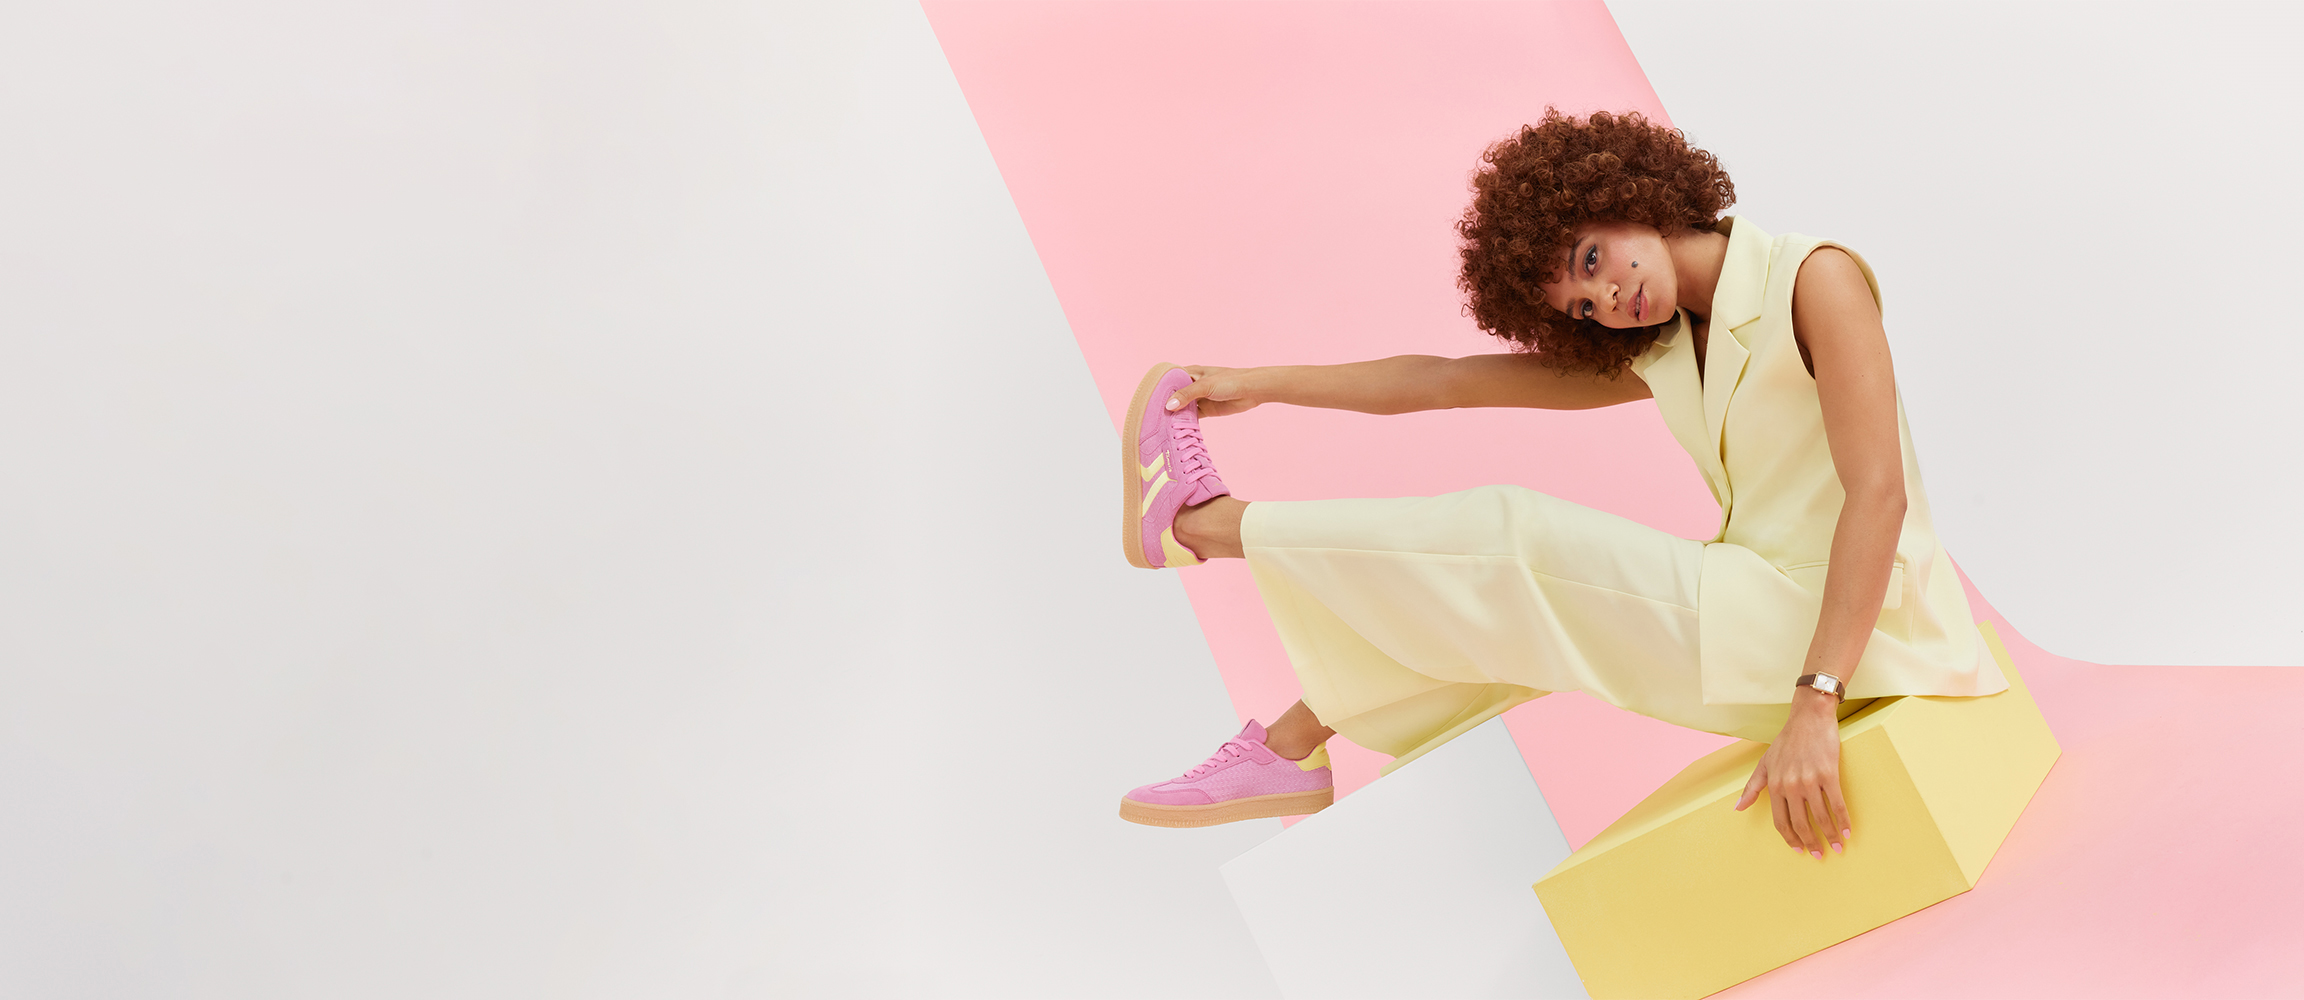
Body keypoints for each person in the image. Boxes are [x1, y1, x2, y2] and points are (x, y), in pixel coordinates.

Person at [1113, 109, 2007, 861]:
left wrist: (1817, 700)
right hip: (1758, 615)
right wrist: (1261, 382)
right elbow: (1446, 381)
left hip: (1860, 635)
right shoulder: (1661, 351)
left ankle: (1207, 527)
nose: (1608, 298)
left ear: (1625, 195)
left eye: (1590, 260)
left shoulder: (1817, 279)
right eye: (1582, 306)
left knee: (1512, 537)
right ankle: (1289, 749)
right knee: (1489, 613)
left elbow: (1878, 495)